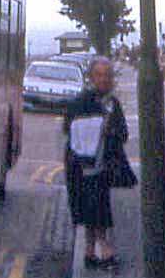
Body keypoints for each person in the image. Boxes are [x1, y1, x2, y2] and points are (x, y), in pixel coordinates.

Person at [63, 55, 135, 271]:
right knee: (90, 205)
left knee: (97, 203)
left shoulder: (112, 103)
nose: (104, 79)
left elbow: (122, 132)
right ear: (91, 77)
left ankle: (91, 251)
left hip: (102, 164)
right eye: (99, 75)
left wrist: (109, 131)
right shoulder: (80, 101)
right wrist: (93, 130)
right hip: (82, 164)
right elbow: (68, 128)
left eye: (107, 75)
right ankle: (102, 250)